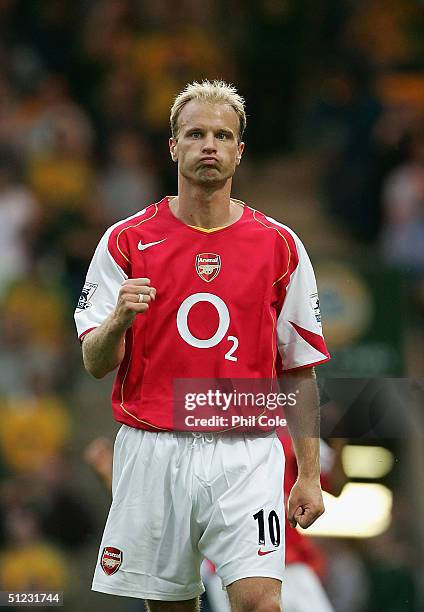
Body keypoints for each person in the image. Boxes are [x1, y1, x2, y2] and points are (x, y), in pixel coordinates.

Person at [75, 80, 330, 612]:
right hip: (154, 443)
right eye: (195, 133)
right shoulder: (126, 240)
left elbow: (299, 368)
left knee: (262, 603)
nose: (208, 144)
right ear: (174, 146)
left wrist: (307, 474)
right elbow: (95, 362)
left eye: (222, 135)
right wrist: (119, 317)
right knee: (172, 606)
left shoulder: (280, 245)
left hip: (249, 448)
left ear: (240, 150)